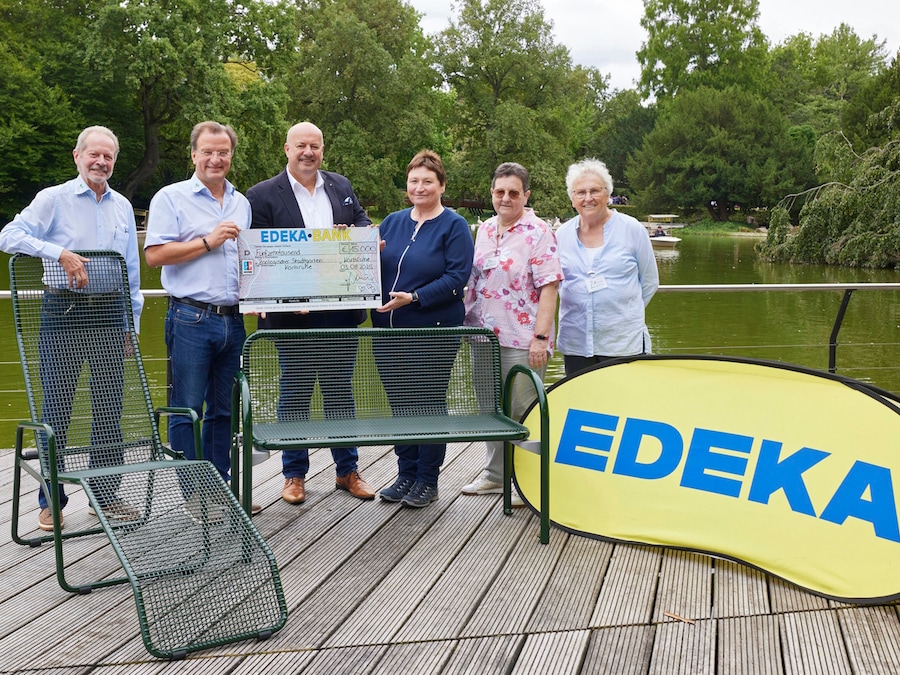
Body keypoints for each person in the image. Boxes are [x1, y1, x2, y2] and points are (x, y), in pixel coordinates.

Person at [0, 125, 143, 532]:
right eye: (93, 154)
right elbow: (9, 236)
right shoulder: (53, 199)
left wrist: (131, 326)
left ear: (114, 162)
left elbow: (130, 271)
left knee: (109, 410)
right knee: (58, 410)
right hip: (62, 313)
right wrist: (58, 252)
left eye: (108, 157)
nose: (101, 162)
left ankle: (105, 495)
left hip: (110, 315)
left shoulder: (122, 206)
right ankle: (51, 500)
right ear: (76, 156)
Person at [246, 121, 375, 504]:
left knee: (340, 391)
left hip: (337, 309)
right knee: (294, 392)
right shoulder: (262, 195)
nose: (308, 152)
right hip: (292, 314)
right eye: (301, 145)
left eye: (314, 146)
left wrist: (349, 234)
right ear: (286, 149)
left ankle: (347, 470)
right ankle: (293, 474)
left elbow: (363, 224)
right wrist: (279, 297)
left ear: (322, 149)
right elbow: (258, 253)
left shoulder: (341, 185)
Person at [143, 121, 259, 514]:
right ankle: (194, 493)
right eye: (207, 151)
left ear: (231, 155)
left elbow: (247, 261)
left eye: (223, 152)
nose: (215, 158)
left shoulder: (241, 202)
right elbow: (154, 255)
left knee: (224, 410)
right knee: (187, 406)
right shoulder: (170, 197)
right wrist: (207, 241)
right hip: (190, 317)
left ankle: (219, 487)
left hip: (234, 319)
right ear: (193, 154)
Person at [372, 150, 474, 508]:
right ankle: (406, 475)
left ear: (441, 185)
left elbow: (456, 278)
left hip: (431, 329)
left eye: (428, 181)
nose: (420, 187)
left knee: (427, 403)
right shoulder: (392, 221)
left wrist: (413, 298)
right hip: (386, 330)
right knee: (399, 404)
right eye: (414, 181)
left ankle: (428, 480)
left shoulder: (454, 225)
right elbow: (369, 266)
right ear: (407, 185)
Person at [461, 162, 562, 504]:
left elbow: (549, 287)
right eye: (500, 191)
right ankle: (495, 475)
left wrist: (541, 337)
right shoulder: (485, 229)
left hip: (523, 338)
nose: (506, 198)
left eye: (513, 192)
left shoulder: (539, 232)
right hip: (483, 336)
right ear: (491, 193)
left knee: (522, 410)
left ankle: (524, 481)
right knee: (490, 410)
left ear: (526, 195)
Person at [556, 159, 659, 376]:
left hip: (622, 342)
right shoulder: (561, 236)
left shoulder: (632, 229)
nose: (588, 198)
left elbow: (649, 281)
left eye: (595, 190)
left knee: (624, 404)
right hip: (577, 342)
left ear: (608, 194)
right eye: (580, 192)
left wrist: (625, 313)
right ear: (572, 198)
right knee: (581, 404)